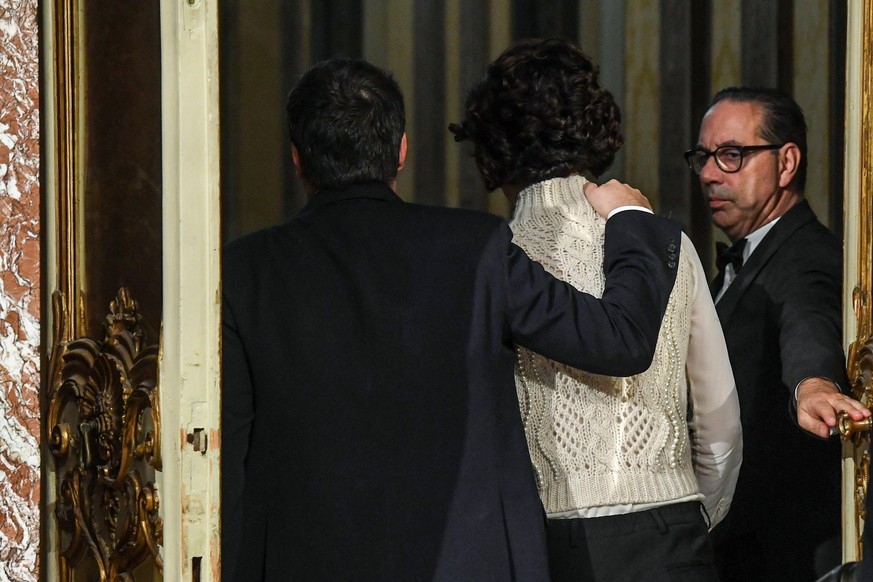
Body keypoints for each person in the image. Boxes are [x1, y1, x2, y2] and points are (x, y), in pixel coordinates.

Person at [221, 58, 682, 581]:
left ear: (297, 159)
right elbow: (619, 339)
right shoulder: (474, 248)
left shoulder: (242, 272)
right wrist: (634, 226)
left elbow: (228, 457)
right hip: (469, 560)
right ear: (401, 151)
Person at [449, 37, 743, 581]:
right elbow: (720, 420)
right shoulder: (663, 241)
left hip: (553, 545)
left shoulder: (491, 261)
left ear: (491, 147)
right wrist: (688, 517)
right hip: (672, 537)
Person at [686, 86, 871, 581]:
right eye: (703, 157)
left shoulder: (805, 256)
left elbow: (808, 319)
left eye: (731, 155)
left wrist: (814, 383)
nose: (708, 174)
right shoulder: (744, 256)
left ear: (786, 162)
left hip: (783, 556)